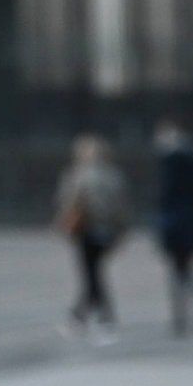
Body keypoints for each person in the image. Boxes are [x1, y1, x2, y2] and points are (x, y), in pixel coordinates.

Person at [54, 136, 129, 341]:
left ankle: (98, 319)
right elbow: (121, 207)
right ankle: (84, 318)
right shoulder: (114, 176)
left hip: (86, 230)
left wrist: (64, 223)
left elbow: (69, 201)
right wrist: (121, 231)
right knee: (95, 275)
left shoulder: (78, 175)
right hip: (107, 231)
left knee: (91, 277)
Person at [153, 120, 193, 335]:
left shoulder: (171, 164)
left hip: (175, 223)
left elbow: (164, 197)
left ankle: (180, 314)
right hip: (191, 222)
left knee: (178, 270)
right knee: (186, 268)